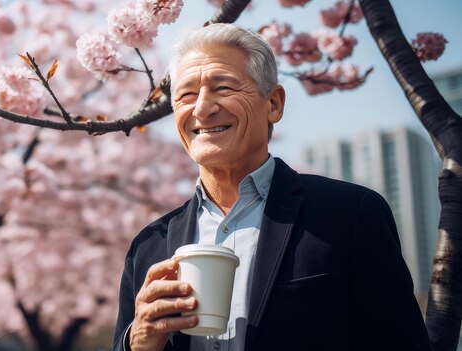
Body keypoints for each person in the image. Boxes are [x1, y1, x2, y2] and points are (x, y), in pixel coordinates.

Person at [111, 23, 430, 351]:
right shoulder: (148, 246)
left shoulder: (348, 215)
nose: (202, 108)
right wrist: (136, 343)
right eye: (187, 94)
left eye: (223, 88)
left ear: (274, 104)